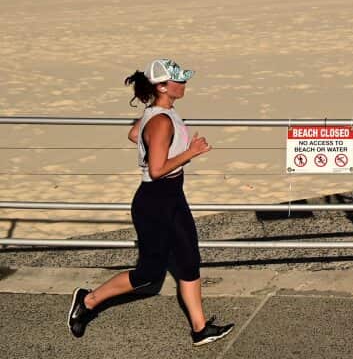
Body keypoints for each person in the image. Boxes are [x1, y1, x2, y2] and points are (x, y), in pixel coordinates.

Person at [67, 59, 234, 346]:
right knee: (148, 274)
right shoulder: (160, 120)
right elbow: (156, 170)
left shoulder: (159, 112)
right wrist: (191, 151)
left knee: (189, 260)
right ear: (163, 86)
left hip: (172, 197)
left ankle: (200, 328)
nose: (184, 84)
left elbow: (134, 134)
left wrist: (151, 131)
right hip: (155, 202)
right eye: (179, 81)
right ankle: (88, 300)